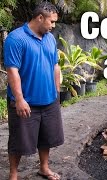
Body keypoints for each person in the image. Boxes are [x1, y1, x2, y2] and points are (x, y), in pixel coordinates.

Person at [4, 2, 63, 180]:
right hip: (25, 101)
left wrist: (56, 93)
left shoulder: (50, 39)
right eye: (51, 22)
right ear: (39, 17)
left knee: (46, 137)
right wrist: (19, 99)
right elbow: (12, 70)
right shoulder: (16, 38)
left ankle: (44, 168)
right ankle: (13, 175)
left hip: (49, 99)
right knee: (18, 140)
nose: (53, 26)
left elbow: (55, 66)